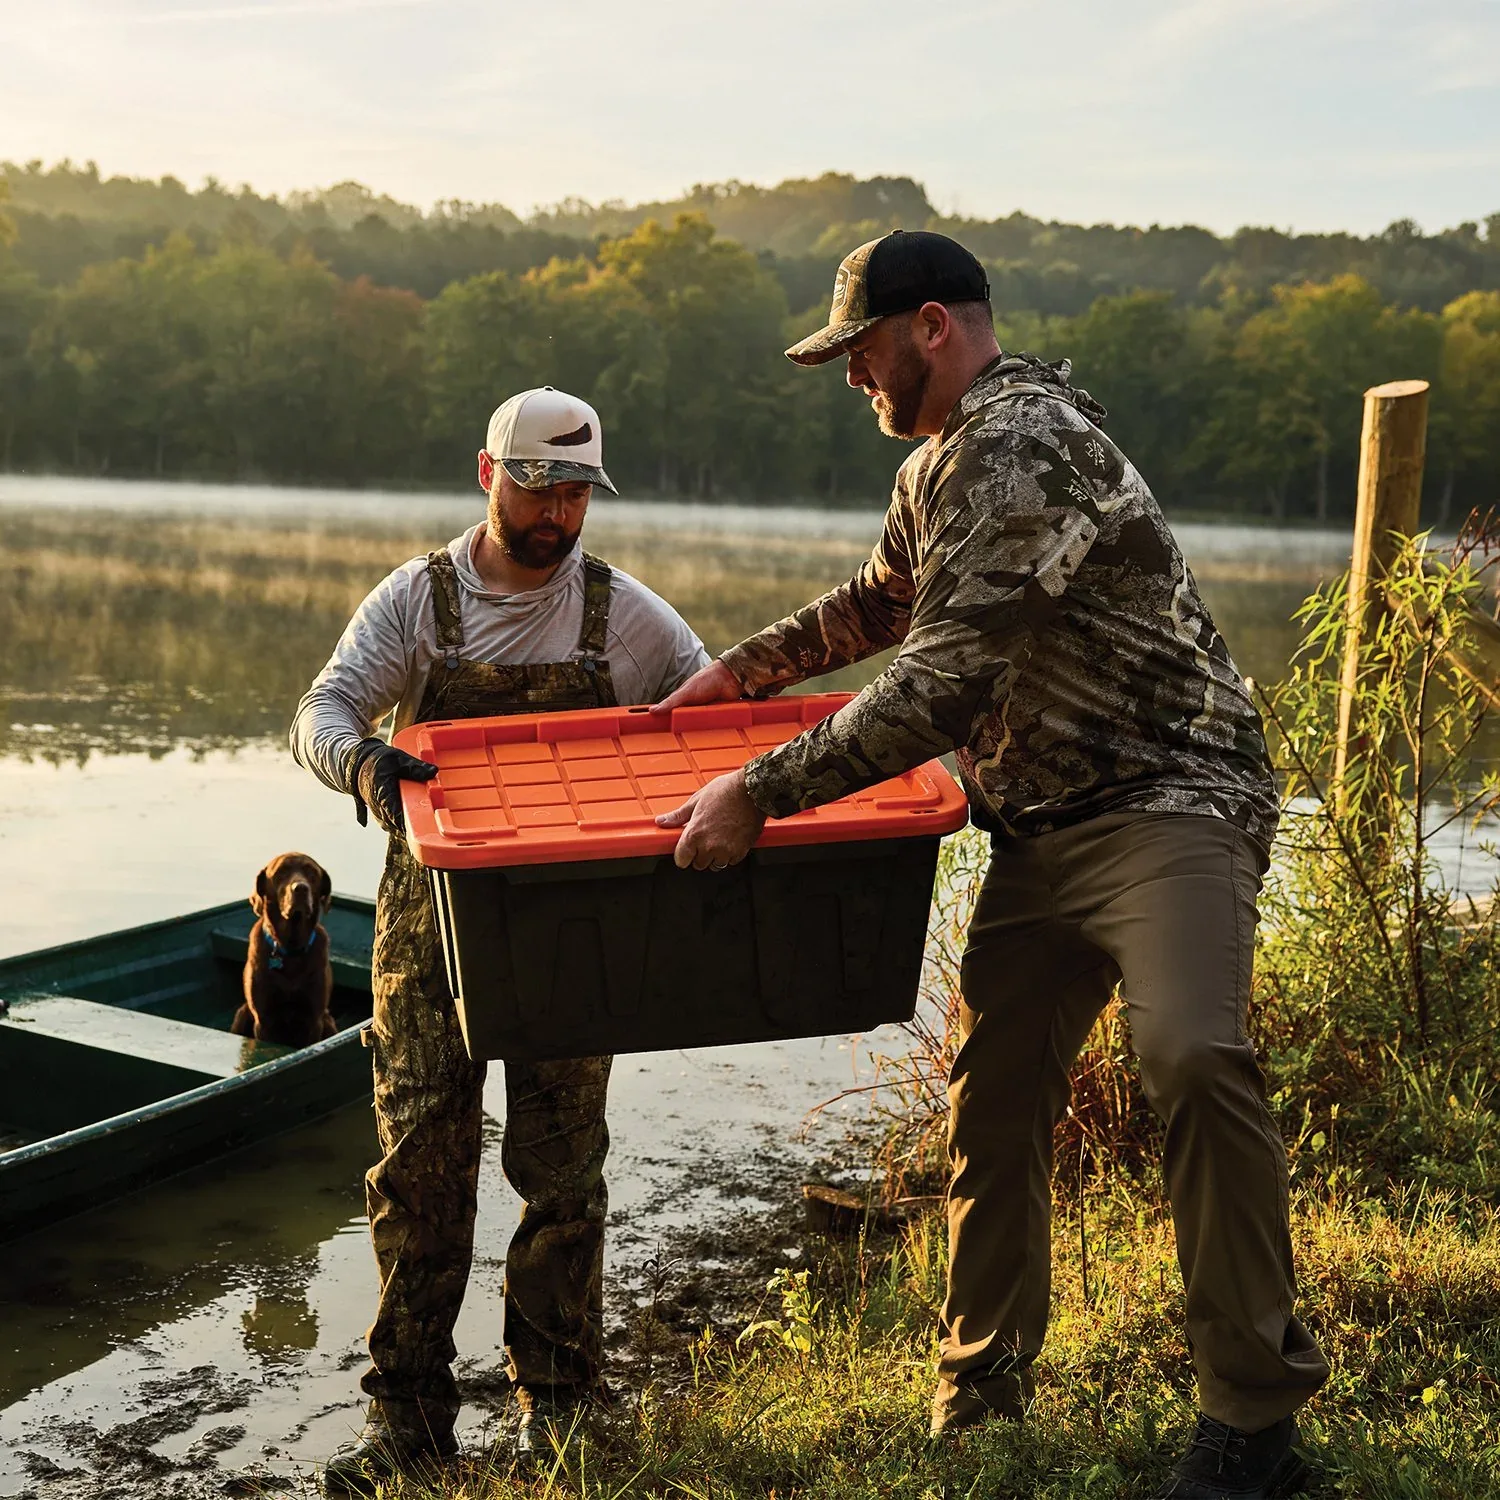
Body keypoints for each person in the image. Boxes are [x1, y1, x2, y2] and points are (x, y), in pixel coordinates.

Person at [655, 231, 1328, 1500]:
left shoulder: (1016, 443)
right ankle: (983, 1389)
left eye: (859, 352)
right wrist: (737, 674)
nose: (851, 378)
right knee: (993, 1093)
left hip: (1171, 805)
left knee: (1190, 1051)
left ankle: (1252, 1420)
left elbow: (937, 683)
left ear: (929, 329)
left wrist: (757, 790)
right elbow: (884, 601)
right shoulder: (942, 466)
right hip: (1039, 822)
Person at [291, 387, 710, 1495]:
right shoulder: (418, 602)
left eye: (578, 495)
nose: (560, 517)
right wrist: (367, 765)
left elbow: (708, 724)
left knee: (564, 1174)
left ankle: (560, 1404)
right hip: (429, 925)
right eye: (540, 489)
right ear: (489, 475)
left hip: (573, 931)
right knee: (419, 1167)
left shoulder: (624, 617)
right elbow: (321, 712)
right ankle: (409, 1417)